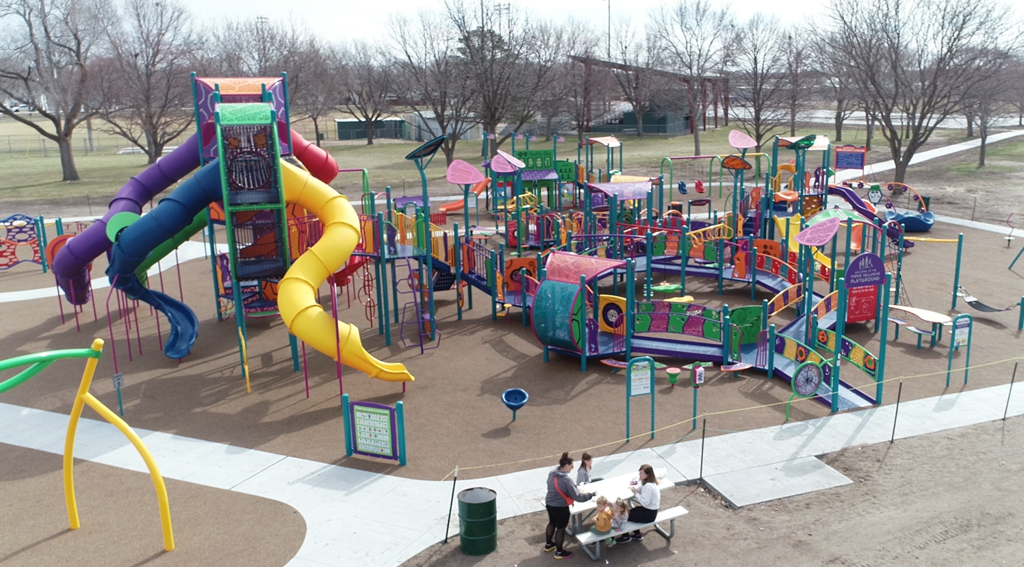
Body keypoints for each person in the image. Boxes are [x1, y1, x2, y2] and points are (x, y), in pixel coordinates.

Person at [544, 452, 594, 559]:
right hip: (561, 507)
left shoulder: (552, 472)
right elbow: (578, 497)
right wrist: (590, 495)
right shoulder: (567, 480)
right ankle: (559, 552)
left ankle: (548, 545)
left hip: (549, 503)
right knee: (561, 529)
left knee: (552, 523)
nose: (571, 469)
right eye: (571, 466)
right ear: (566, 466)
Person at [615, 464, 659, 543]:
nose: (640, 475)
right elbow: (640, 487)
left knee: (624, 515)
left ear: (648, 475)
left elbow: (645, 502)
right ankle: (637, 534)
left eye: (642, 474)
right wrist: (634, 488)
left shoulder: (649, 486)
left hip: (649, 514)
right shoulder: (648, 482)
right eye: (640, 473)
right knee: (630, 512)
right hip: (648, 510)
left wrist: (635, 493)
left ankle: (625, 537)